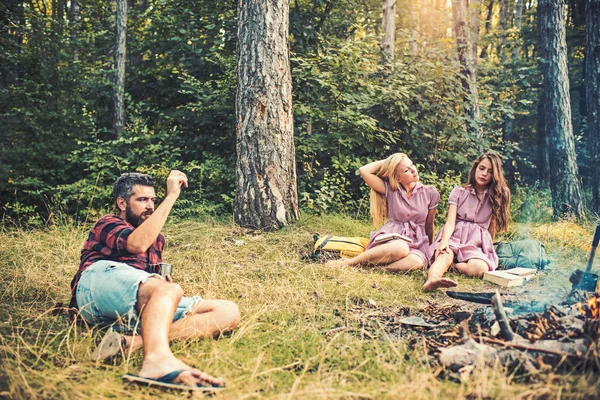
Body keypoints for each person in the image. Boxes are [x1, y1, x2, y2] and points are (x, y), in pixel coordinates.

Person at [69, 170, 240, 390]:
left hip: (128, 307)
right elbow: (136, 244)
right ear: (122, 203)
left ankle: (131, 343)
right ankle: (157, 362)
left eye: (153, 200)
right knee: (168, 290)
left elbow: (148, 279)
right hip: (95, 287)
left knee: (227, 311)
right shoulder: (108, 223)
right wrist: (170, 197)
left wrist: (161, 285)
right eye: (142, 200)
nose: (150, 206)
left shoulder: (157, 239)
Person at [327, 153, 440, 272]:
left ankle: (378, 269)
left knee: (416, 262)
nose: (413, 170)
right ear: (398, 178)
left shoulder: (430, 193)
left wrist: (429, 249)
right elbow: (364, 171)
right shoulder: (391, 190)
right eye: (406, 169)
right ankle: (349, 263)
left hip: (417, 242)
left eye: (412, 164)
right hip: (392, 239)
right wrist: (390, 161)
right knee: (401, 248)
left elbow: (429, 225)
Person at [424, 153, 511, 292]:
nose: (484, 174)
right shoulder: (459, 192)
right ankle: (432, 279)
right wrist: (444, 242)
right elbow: (450, 222)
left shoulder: (496, 196)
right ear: (475, 168)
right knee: (444, 256)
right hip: (455, 235)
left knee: (479, 268)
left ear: (495, 175)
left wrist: (488, 249)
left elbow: (491, 226)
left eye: (490, 172)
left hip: (475, 242)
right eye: (481, 168)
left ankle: (454, 265)